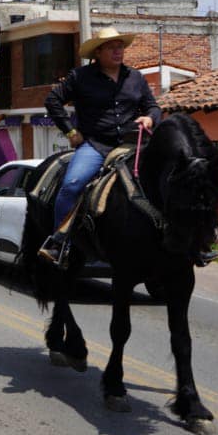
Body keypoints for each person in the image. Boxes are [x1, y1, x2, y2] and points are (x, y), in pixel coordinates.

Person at [38, 27, 159, 266]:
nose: (118, 51)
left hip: (131, 145)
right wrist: (70, 131)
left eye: (120, 46)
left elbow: (153, 106)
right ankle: (59, 242)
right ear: (98, 52)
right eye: (111, 47)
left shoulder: (135, 77)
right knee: (71, 185)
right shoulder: (80, 77)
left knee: (170, 177)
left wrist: (150, 118)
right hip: (96, 145)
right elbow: (52, 101)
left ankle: (191, 244)